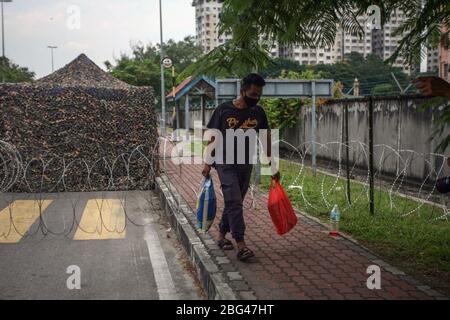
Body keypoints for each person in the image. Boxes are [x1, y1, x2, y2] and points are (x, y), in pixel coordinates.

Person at [201, 73, 280, 261]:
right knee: (234, 200)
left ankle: (221, 236)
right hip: (224, 162)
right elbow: (213, 137)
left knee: (234, 202)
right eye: (253, 94)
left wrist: (272, 165)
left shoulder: (258, 112)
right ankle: (241, 244)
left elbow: (265, 139)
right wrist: (207, 163)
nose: (256, 98)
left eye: (259, 95)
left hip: (246, 163)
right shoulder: (223, 110)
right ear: (242, 91)